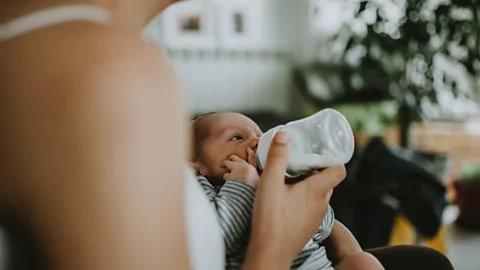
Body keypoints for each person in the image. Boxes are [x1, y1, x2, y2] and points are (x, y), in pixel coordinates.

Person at [0, 1, 455, 270]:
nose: (253, 145)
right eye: (236, 137)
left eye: (254, 135)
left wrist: (347, 249)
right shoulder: (110, 78)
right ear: (193, 163)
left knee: (425, 263)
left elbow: (331, 230)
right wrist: (273, 245)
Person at [190, 112, 384, 270]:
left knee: (363, 263)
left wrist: (303, 185)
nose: (257, 142)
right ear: (196, 165)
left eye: (259, 135)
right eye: (236, 137)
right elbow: (221, 237)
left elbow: (322, 229)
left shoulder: (278, 181)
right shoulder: (200, 193)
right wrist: (243, 185)